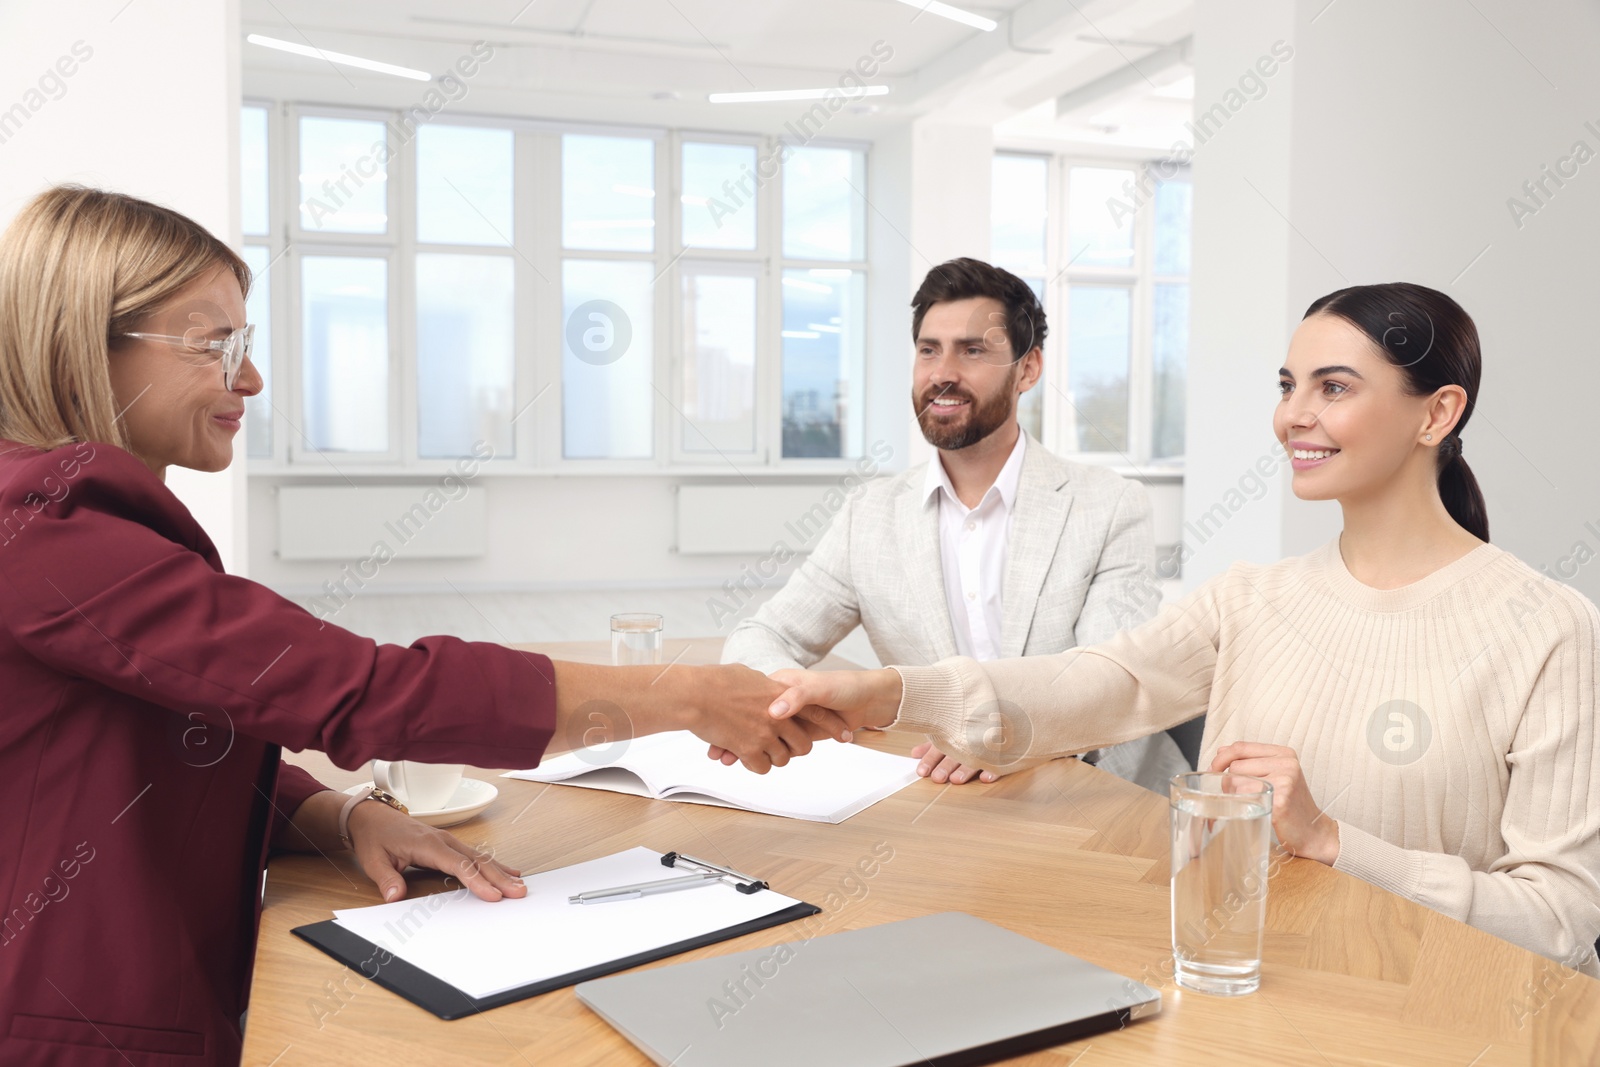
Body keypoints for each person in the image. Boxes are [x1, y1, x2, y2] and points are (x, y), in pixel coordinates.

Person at [0, 186, 847, 1065]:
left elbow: (169, 731)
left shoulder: (67, 523)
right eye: (215, 344)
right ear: (81, 344)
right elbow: (364, 689)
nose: (248, 377)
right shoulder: (50, 534)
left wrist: (335, 813)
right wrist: (686, 693)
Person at [754, 282, 1600, 975]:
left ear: (1436, 413)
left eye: (1332, 387)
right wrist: (891, 692)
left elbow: (1559, 920)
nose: (1291, 417)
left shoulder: (1548, 629)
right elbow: (1100, 682)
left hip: (1434, 1010)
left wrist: (1335, 839)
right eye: (1286, 385)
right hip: (1249, 987)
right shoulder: (1246, 600)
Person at [723, 258, 1189, 792]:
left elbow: (1108, 685)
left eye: (972, 350)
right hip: (947, 799)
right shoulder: (869, 516)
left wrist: (997, 732)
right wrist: (800, 701)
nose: (942, 372)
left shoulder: (1108, 506)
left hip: (1107, 803)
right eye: (929, 350)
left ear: (1028, 369)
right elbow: (761, 637)